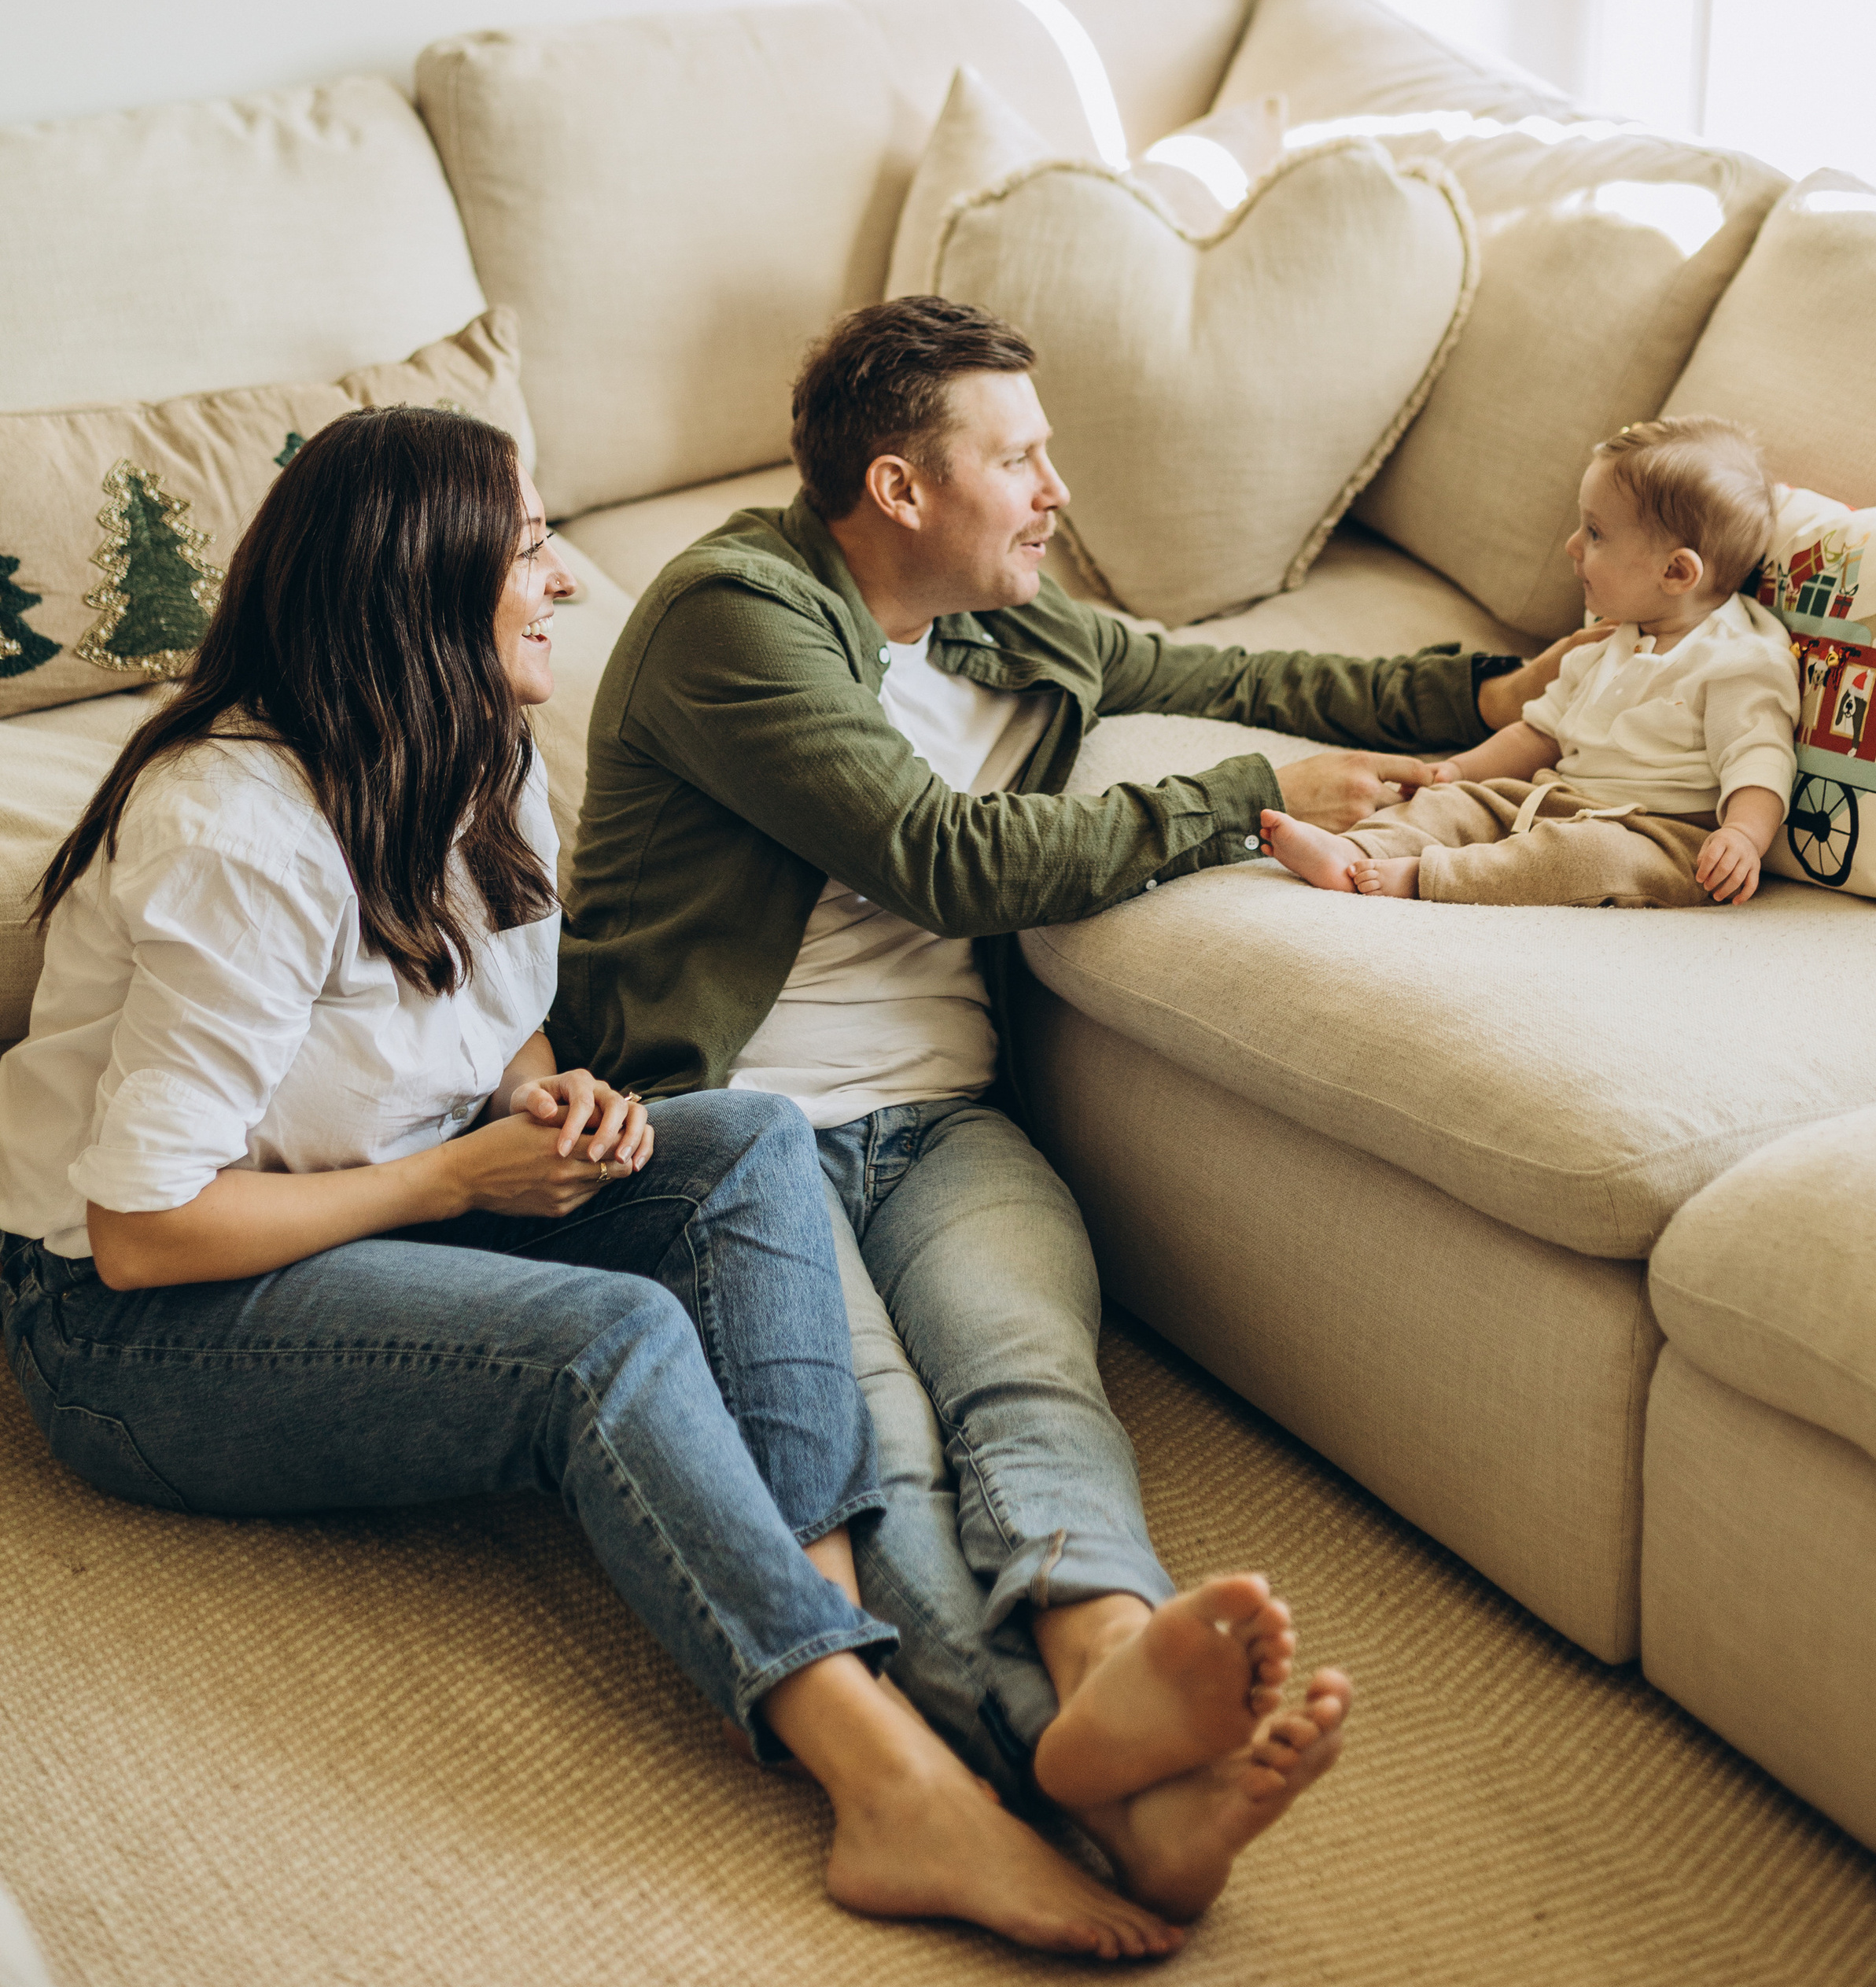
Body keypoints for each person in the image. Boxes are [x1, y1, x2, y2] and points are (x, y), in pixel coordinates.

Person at [0, 407, 1190, 1963]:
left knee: (748, 1134)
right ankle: (884, 1779)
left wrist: (536, 1092)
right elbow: (145, 1234)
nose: (565, 580)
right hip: (124, 1328)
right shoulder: (231, 836)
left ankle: (854, 1637)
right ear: (420, 584)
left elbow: (491, 1011)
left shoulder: (482, 750)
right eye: (534, 545)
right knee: (603, 1346)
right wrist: (452, 1183)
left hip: (367, 1185)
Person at [556, 297, 1592, 1918]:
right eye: (1020, 458)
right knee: (877, 1443)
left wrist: (1494, 694)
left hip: (943, 1120)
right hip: (739, 1143)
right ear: (899, 491)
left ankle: (1110, 1657)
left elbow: (1240, 676)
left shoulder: (1005, 628)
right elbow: (941, 858)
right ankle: (1078, 1770)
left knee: (1027, 1381)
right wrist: (1235, 802)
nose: (1055, 489)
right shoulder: (733, 615)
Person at [1262, 415, 1798, 907]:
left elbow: (1759, 758)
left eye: (1595, 533)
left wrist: (1743, 836)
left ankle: (1426, 878)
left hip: (1656, 834)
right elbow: (1538, 733)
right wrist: (1455, 771)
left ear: (1677, 573)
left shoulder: (1740, 660)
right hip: (1549, 795)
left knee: (1586, 858)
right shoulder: (1609, 640)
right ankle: (1355, 849)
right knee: (1457, 805)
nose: (1571, 545)